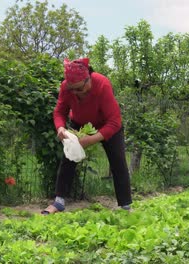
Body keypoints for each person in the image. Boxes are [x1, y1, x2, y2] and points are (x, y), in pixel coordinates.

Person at [41, 58, 132, 214]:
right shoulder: (66, 88)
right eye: (72, 90)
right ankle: (59, 202)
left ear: (88, 79)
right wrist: (61, 128)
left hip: (107, 124)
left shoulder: (102, 85)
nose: (75, 93)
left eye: (79, 89)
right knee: (68, 158)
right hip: (80, 123)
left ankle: (125, 206)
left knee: (118, 161)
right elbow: (59, 112)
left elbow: (115, 121)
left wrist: (91, 139)